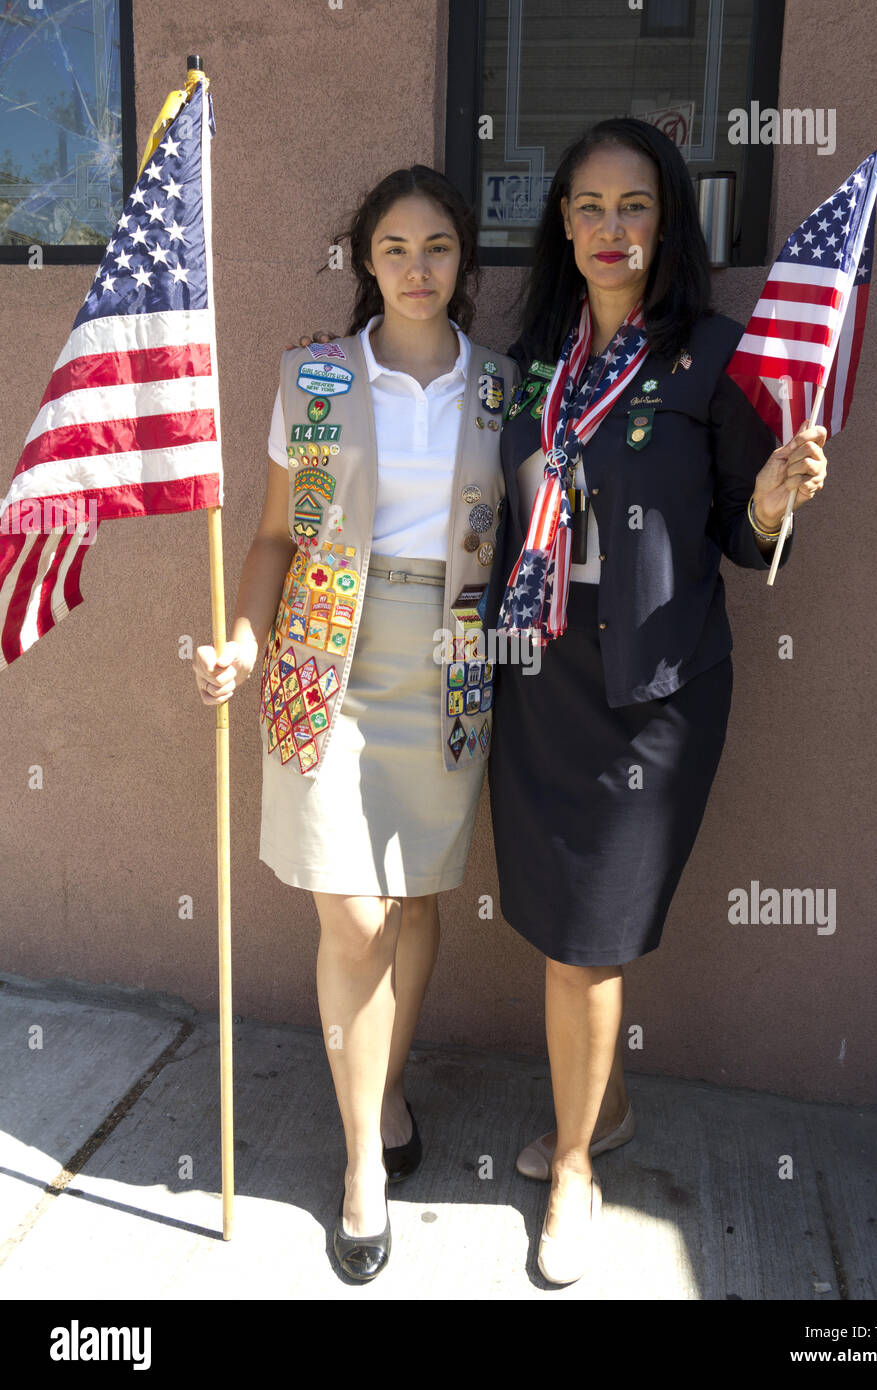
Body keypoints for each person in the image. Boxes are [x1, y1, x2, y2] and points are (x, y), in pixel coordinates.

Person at [488, 117, 828, 1285]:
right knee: (566, 931)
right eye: (587, 205)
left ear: (669, 221)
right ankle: (611, 1109)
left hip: (654, 696)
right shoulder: (537, 351)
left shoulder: (715, 357)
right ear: (562, 223)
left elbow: (739, 535)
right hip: (542, 676)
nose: (609, 228)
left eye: (633, 206)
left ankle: (578, 1166)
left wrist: (777, 499)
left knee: (588, 940)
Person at [192, 166, 516, 1282]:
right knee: (358, 919)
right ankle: (361, 1170)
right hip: (328, 652)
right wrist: (244, 634)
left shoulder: (502, 389)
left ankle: (385, 1091)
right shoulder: (316, 380)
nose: (417, 268)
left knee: (417, 901)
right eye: (394, 248)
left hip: (450, 662)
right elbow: (277, 537)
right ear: (364, 260)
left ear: (463, 260)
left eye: (437, 247)